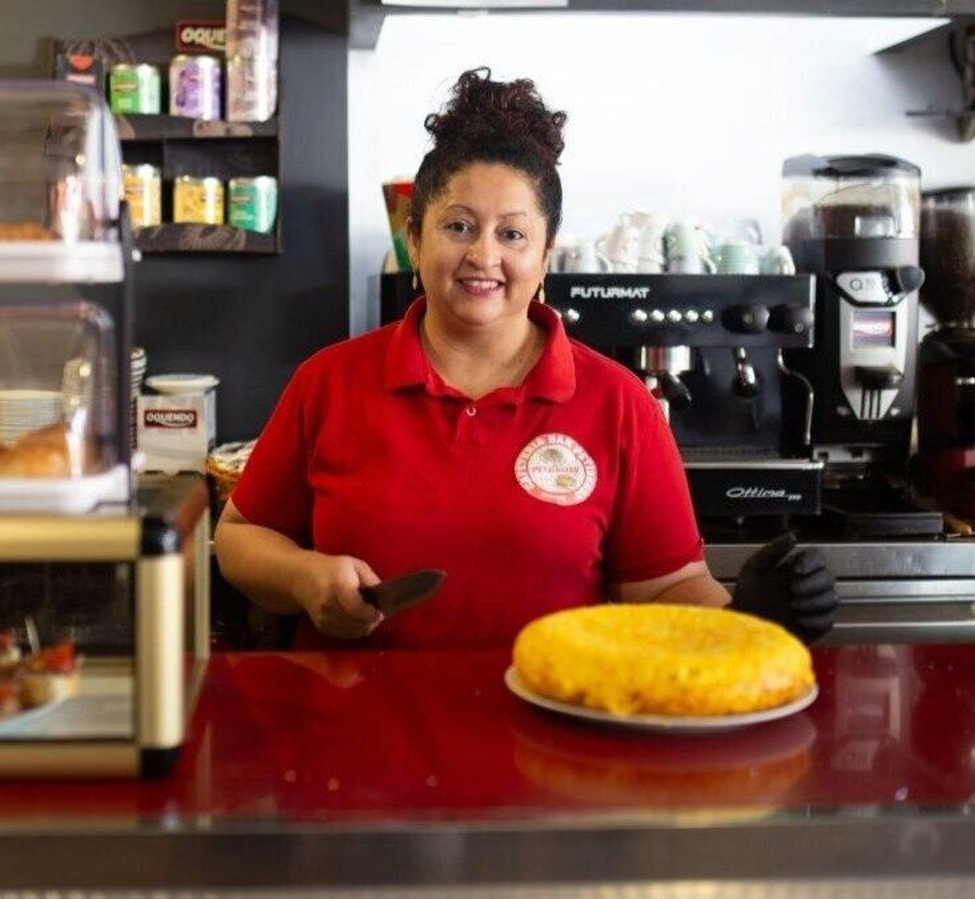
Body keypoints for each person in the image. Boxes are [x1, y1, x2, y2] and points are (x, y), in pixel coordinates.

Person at [214, 68, 836, 649]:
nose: (484, 255)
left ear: (544, 256)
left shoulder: (620, 403)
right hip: (351, 739)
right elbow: (240, 538)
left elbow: (665, 588)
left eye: (512, 234)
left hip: (558, 739)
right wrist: (302, 577)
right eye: (458, 226)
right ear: (413, 238)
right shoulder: (331, 381)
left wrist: (746, 619)